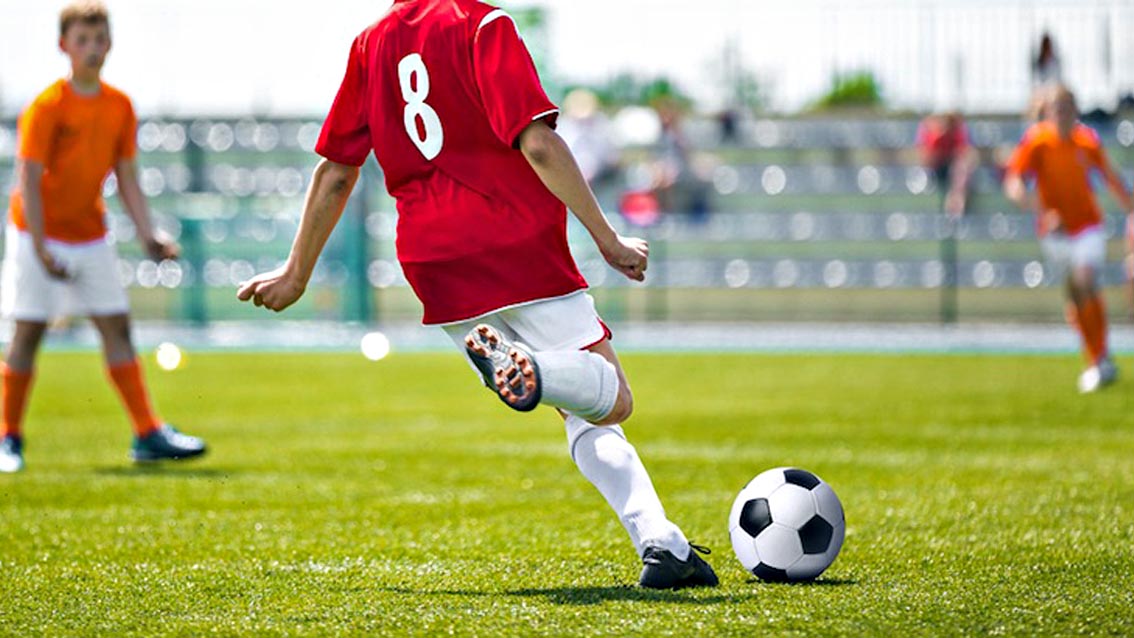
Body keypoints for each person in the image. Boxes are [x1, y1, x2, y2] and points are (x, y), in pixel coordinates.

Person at [236, 0, 717, 589]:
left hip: (433, 261)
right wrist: (607, 237)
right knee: (612, 397)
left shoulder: (370, 45)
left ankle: (661, 544)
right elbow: (537, 144)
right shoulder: (483, 23)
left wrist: (296, 273)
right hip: (515, 243)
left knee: (581, 409)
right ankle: (532, 368)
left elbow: (337, 170)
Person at [0, 1, 207, 473]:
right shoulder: (48, 106)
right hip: (38, 232)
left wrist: (148, 234)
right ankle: (8, 438)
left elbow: (127, 177)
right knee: (27, 333)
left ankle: (147, 433)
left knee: (117, 327)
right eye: (82, 40)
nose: (92, 49)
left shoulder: (119, 106)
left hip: (90, 233)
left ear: (109, 43)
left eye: (99, 39)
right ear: (64, 46)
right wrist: (38, 248)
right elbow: (28, 179)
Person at [1004, 85, 1134, 393]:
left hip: (1087, 226)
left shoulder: (1086, 141)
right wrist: (1037, 207)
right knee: (1076, 295)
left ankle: (1100, 358)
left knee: (1084, 279)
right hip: (1056, 233)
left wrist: (1129, 206)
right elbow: (1014, 182)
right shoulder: (1037, 142)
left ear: (1075, 110)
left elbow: (1111, 178)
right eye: (1056, 108)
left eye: (1067, 107)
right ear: (1048, 112)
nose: (1062, 114)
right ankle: (1098, 359)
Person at [916, 111, 978, 218]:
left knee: (961, 169)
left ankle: (955, 206)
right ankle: (952, 208)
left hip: (953, 173)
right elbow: (927, 158)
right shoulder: (931, 132)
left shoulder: (957, 131)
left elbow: (966, 153)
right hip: (936, 171)